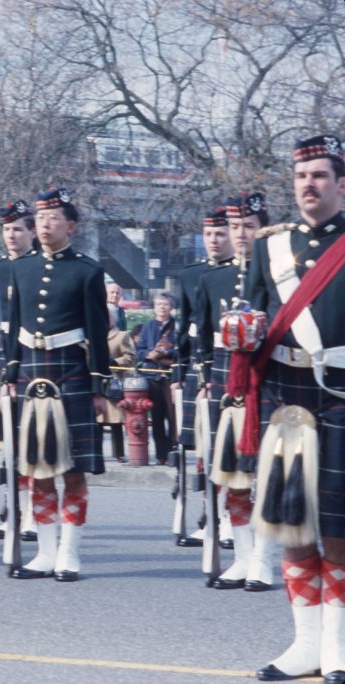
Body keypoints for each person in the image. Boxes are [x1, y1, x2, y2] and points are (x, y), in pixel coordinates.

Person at [245, 135, 345, 681]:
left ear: (341, 183)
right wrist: (237, 334)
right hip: (287, 403)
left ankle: (338, 647)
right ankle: (304, 644)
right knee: (293, 526)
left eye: (320, 175)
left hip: (341, 399)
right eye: (302, 175)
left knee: (339, 530)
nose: (309, 184)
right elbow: (252, 313)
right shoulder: (269, 247)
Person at [5, 187, 111, 582]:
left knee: (74, 469)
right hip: (31, 371)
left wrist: (100, 386)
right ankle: (45, 552)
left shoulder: (87, 271)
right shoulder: (21, 268)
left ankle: (69, 551)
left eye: (53, 218)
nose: (45, 224)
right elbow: (14, 326)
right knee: (38, 467)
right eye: (40, 217)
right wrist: (11, 372)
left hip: (71, 371)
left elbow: (98, 333)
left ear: (71, 225)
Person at [196, 192, 277, 592]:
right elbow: (204, 336)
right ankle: (242, 558)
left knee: (264, 478)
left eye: (249, 226)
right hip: (226, 384)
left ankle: (263, 559)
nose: (241, 234)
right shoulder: (213, 278)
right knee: (233, 479)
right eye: (234, 227)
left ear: (263, 228)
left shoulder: (281, 273)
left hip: (267, 383)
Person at [171, 208, 236, 546]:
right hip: (197, 369)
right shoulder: (190, 275)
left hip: (225, 365)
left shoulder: (240, 273)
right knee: (201, 449)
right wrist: (178, 372)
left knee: (229, 447)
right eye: (209, 234)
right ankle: (207, 513)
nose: (213, 240)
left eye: (220, 234)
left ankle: (229, 516)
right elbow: (184, 330)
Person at [0, 199, 40, 541]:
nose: (12, 235)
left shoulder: (39, 267)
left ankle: (34, 511)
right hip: (4, 361)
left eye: (18, 229)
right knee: (7, 443)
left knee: (34, 440)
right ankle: (12, 508)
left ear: (32, 232)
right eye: (6, 229)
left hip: (33, 360)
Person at [135, 292, 178, 465]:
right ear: (154, 307)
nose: (162, 307)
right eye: (159, 304)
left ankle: (174, 452)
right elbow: (139, 350)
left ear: (171, 307)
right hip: (153, 376)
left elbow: (184, 350)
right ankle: (161, 454)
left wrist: (167, 352)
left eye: (165, 304)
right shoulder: (147, 326)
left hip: (171, 377)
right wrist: (149, 354)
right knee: (157, 417)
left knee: (173, 416)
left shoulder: (178, 326)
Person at [100, 306, 136, 463]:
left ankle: (119, 453)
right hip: (96, 381)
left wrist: (115, 362)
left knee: (115, 421)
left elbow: (130, 357)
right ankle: (97, 453)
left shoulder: (122, 335)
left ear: (113, 319)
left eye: (108, 317)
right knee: (97, 421)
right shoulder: (91, 335)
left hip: (114, 381)